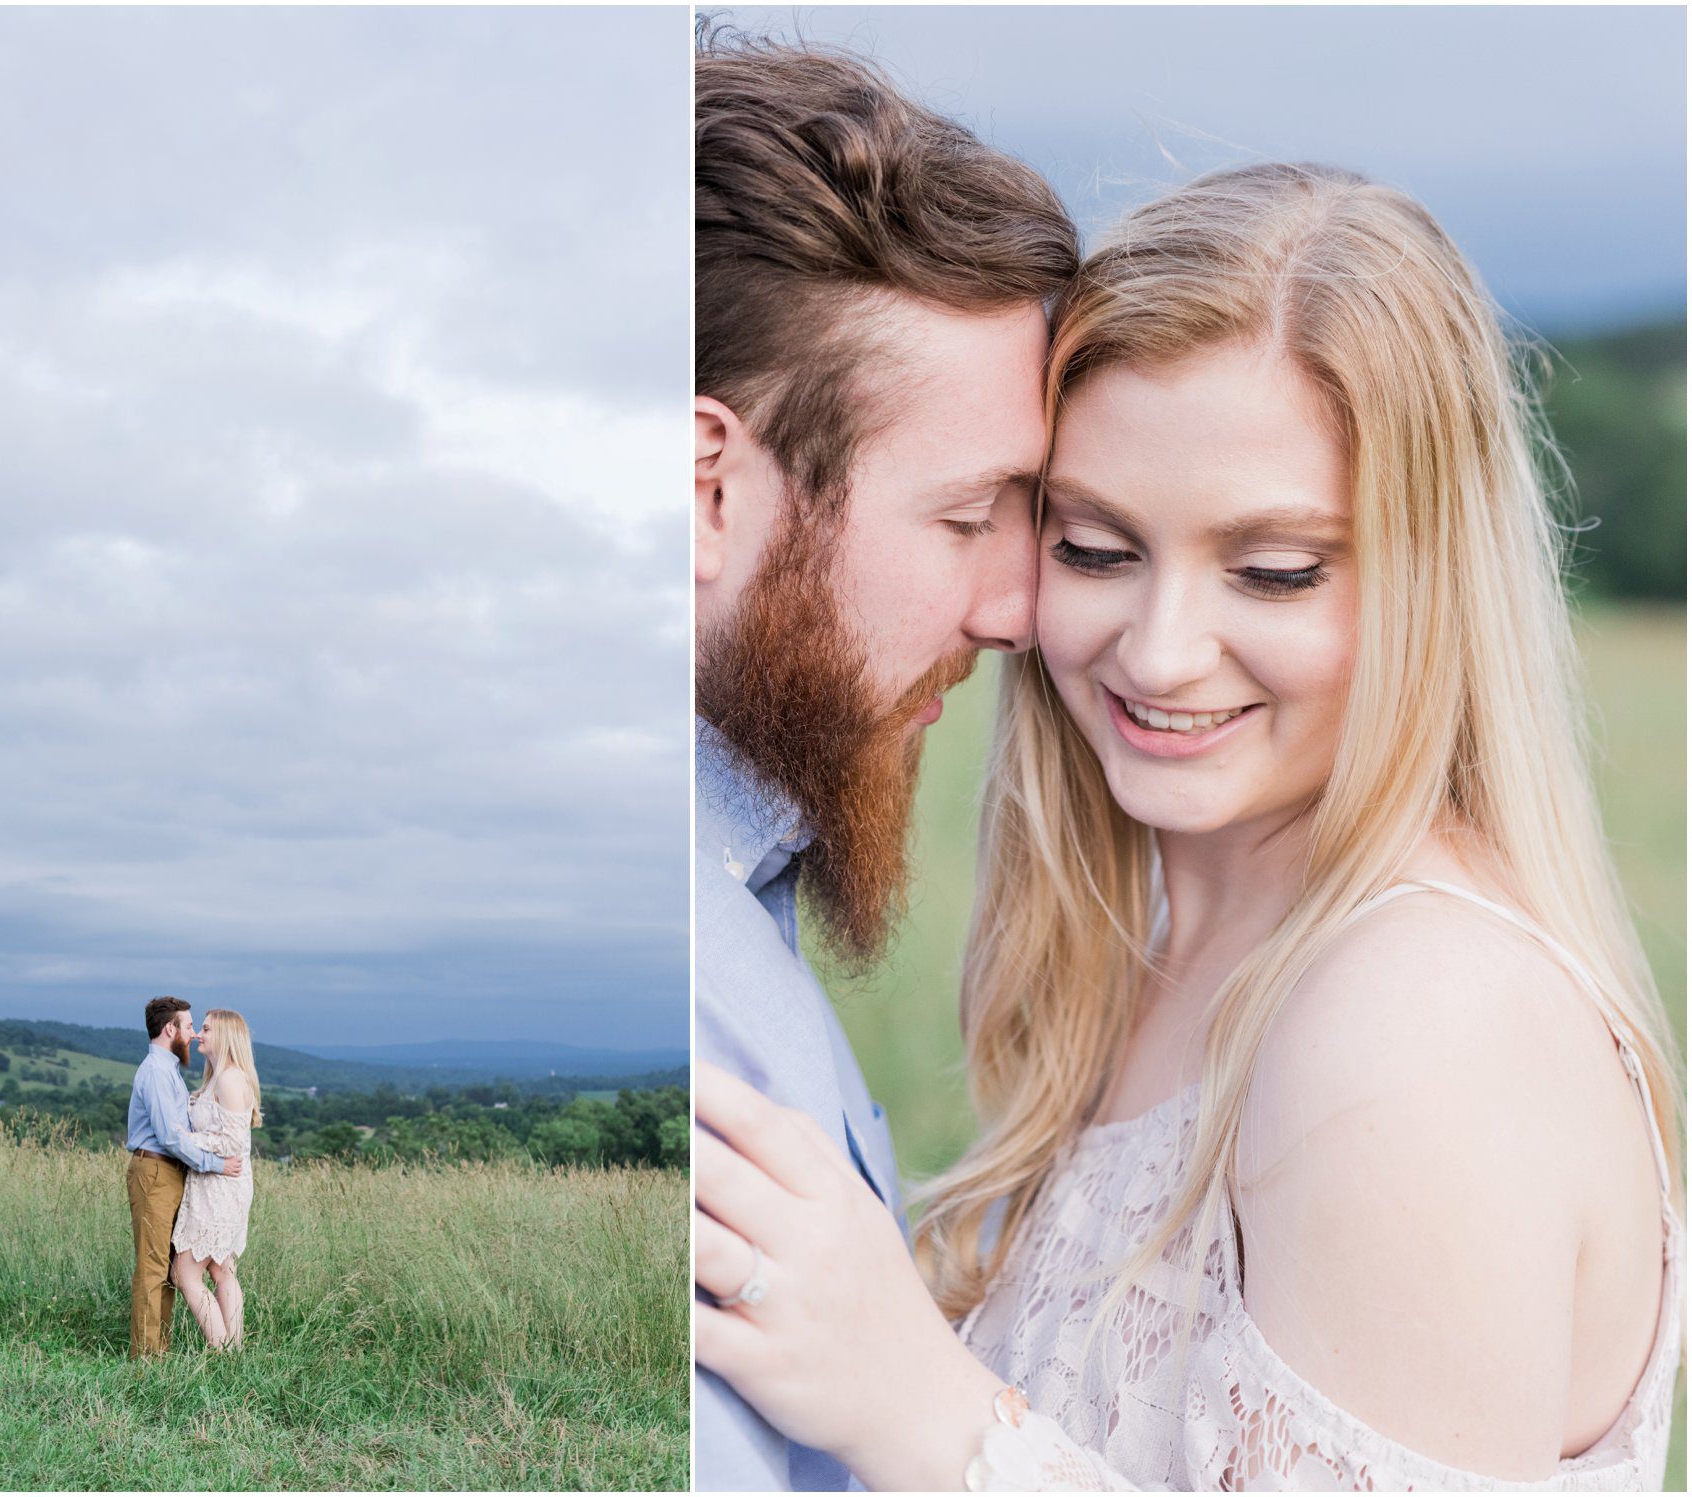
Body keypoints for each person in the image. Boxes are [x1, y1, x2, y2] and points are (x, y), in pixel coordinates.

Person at [694, 163, 1682, 1490]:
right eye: (1094, 548)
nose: (1159, 654)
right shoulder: (1164, 944)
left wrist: (924, 1411)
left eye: (1274, 571)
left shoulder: (1421, 1021)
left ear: (1432, 581)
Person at [692, 29, 1078, 1490]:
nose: (1019, 608)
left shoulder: (736, 897)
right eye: (966, 518)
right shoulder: (701, 1021)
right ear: (707, 490)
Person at [126, 996, 242, 1358]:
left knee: (172, 1266)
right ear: (170, 1029)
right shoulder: (158, 1072)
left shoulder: (169, 1070)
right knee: (153, 1264)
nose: (192, 1034)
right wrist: (216, 1164)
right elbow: (171, 1137)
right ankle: (147, 1358)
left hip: (173, 1172)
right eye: (189, 1026)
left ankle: (162, 1347)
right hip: (156, 1170)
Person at [170, 1008, 261, 1350]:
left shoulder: (230, 1078)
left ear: (224, 1035)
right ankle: (234, 1351)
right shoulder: (218, 1077)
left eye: (205, 1029)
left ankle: (220, 1347)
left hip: (221, 1188)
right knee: (222, 1268)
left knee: (185, 1274)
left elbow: (232, 1141)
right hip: (215, 1184)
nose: (197, 1034)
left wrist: (184, 1138)